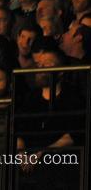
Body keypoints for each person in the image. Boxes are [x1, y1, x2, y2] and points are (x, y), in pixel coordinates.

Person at [16, 49, 84, 190]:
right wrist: (21, 154)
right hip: (29, 155)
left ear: (60, 71)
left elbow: (73, 135)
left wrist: (43, 153)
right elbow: (20, 130)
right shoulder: (31, 98)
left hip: (59, 157)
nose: (40, 68)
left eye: (46, 65)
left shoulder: (72, 97)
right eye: (39, 64)